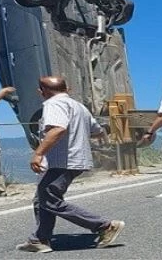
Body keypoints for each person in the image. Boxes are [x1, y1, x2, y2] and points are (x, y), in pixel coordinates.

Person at [16, 76, 125, 253]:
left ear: (41, 91)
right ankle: (39, 239)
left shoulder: (53, 104)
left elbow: (58, 128)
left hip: (60, 160)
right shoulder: (79, 107)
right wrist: (77, 137)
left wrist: (38, 153)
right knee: (42, 198)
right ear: (68, 89)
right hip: (76, 159)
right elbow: (98, 131)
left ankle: (104, 226)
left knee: (50, 199)